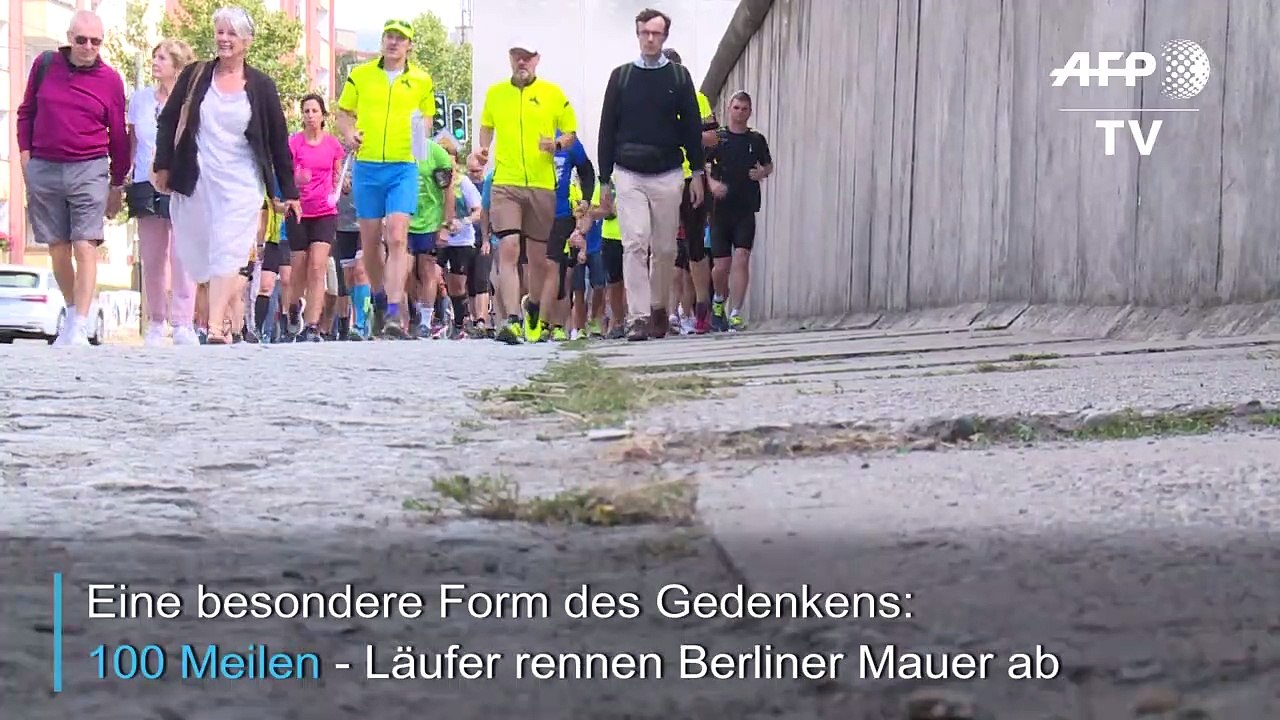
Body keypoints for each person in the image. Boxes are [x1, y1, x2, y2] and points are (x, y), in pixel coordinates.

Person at [153, 5, 299, 345]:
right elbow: (168, 120)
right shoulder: (195, 75)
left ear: (247, 41)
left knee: (227, 248)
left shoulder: (262, 86)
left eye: (232, 33)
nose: (224, 39)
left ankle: (216, 326)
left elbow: (278, 140)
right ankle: (227, 304)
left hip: (241, 181)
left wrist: (288, 191)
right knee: (200, 255)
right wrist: (163, 164)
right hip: (198, 178)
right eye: (220, 32)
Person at [16, 10, 128, 347]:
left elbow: (119, 136)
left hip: (89, 166)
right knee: (58, 248)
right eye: (82, 40)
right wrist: (25, 159)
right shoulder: (45, 65)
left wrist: (116, 183)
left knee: (85, 244)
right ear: (69, 38)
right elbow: (26, 113)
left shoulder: (110, 79)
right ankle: (70, 311)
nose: (89, 47)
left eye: (96, 41)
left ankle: (80, 323)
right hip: (45, 166)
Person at [597, 8, 705, 341]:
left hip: (669, 173)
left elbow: (691, 128)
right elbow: (606, 130)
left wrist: (698, 172)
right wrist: (604, 181)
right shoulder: (621, 77)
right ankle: (639, 317)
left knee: (665, 249)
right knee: (635, 242)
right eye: (644, 32)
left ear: (664, 37)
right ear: (637, 33)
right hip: (628, 173)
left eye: (656, 33)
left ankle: (659, 307)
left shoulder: (679, 77)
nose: (649, 38)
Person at [335, 19, 436, 338]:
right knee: (369, 241)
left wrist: (420, 151)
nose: (393, 42)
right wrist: (350, 135)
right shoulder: (361, 75)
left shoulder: (421, 80)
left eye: (400, 39)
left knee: (396, 235)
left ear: (409, 46)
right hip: (367, 167)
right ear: (382, 41)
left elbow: (427, 122)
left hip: (403, 167)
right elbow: (343, 113)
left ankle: (394, 311)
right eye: (389, 37)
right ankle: (379, 299)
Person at [476, 40, 579, 345]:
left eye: (527, 57)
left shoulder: (553, 93)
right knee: (507, 248)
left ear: (537, 59)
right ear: (510, 58)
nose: (522, 62)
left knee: (537, 259)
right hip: (506, 182)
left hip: (541, 185)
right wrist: (483, 149)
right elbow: (486, 127)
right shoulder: (495, 93)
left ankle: (532, 304)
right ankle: (510, 319)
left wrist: (558, 145)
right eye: (516, 56)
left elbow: (571, 133)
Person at [127, 38, 197, 347]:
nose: (155, 62)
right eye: (154, 56)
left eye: (162, 58)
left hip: (180, 181)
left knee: (182, 255)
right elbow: (133, 143)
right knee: (153, 257)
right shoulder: (140, 99)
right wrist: (124, 176)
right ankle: (156, 321)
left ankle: (183, 322)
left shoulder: (190, 101)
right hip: (145, 180)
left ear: (178, 66)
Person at [662, 47, 719, 335]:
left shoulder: (698, 99)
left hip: (691, 179)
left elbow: (713, 137)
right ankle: (663, 313)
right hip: (659, 178)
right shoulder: (648, 98)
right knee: (662, 249)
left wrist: (688, 134)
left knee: (696, 247)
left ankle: (701, 310)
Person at [707, 91, 773, 331]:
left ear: (750, 111)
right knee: (721, 265)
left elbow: (768, 164)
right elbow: (702, 167)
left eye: (744, 109)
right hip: (720, 210)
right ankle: (718, 302)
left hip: (745, 208)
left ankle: (736, 312)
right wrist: (713, 185)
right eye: (736, 108)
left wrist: (762, 173)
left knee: (742, 258)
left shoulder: (756, 140)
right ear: (729, 109)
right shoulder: (718, 139)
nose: (740, 113)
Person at [286, 94, 345, 342]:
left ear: (323, 115)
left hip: (324, 212)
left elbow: (339, 176)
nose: (310, 115)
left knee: (318, 266)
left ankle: (312, 325)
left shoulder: (333, 145)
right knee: (298, 268)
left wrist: (342, 186)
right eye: (306, 111)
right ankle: (292, 310)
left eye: (314, 111)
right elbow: (284, 174)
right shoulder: (294, 143)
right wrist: (295, 182)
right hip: (298, 211)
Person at [541, 130, 595, 342]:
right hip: (535, 213)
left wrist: (586, 200)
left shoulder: (569, 139)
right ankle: (536, 320)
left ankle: (555, 325)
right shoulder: (527, 130)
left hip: (562, 215)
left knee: (560, 272)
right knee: (539, 269)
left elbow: (586, 170)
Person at [406, 134, 458, 338]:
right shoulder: (396, 148)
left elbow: (448, 192)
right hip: (405, 219)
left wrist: (445, 224)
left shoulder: (436, 154)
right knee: (406, 270)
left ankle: (426, 321)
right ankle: (413, 311)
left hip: (429, 221)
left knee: (427, 270)